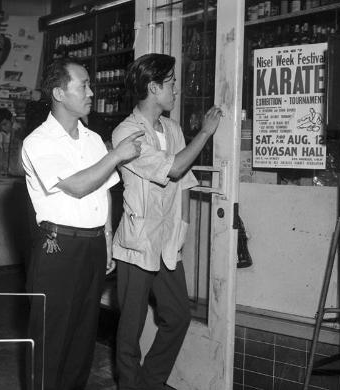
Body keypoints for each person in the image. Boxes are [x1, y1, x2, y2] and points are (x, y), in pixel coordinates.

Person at [21, 57, 143, 390]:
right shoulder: (38, 142)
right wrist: (116, 155)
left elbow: (103, 193)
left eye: (90, 84)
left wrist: (105, 240)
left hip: (91, 245)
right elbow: (77, 186)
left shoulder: (91, 140)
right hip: (57, 247)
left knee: (82, 337)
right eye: (83, 85)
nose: (91, 92)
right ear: (59, 93)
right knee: (50, 337)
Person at [111, 53, 223, 390]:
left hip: (166, 245)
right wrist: (205, 133)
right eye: (171, 82)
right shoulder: (127, 133)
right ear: (153, 87)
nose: (176, 88)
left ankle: (149, 383)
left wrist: (182, 229)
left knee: (178, 316)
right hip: (138, 243)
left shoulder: (172, 128)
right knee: (130, 329)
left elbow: (184, 183)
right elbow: (173, 168)